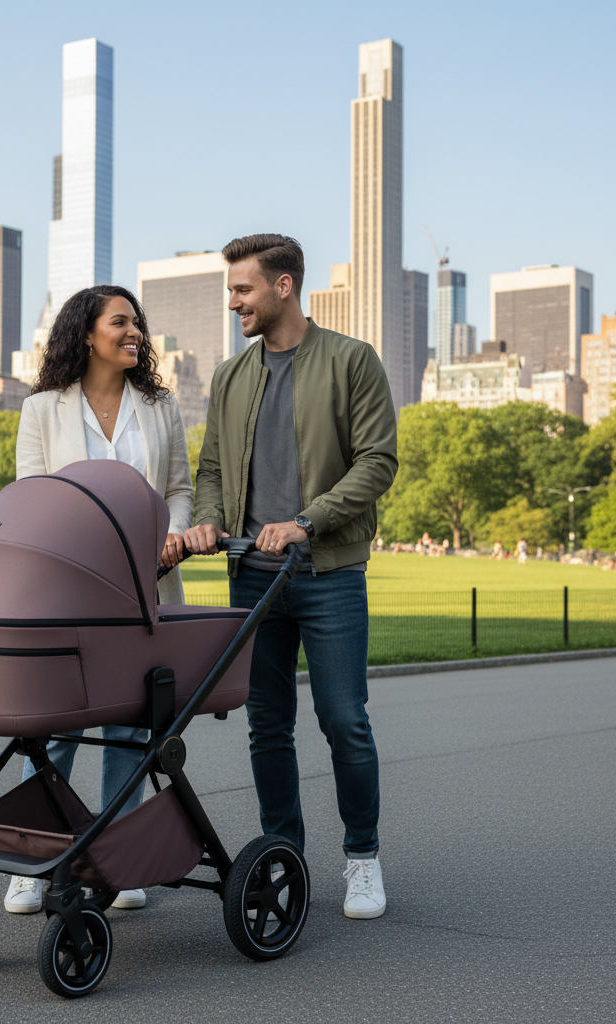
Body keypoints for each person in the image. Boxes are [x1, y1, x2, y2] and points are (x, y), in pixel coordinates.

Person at [184, 234, 398, 920]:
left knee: (344, 721)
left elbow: (377, 461)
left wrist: (309, 520)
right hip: (252, 573)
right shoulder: (230, 375)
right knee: (267, 725)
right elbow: (213, 468)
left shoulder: (351, 360)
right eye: (230, 290)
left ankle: (362, 858)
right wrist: (212, 522)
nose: (233, 301)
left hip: (328, 572)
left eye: (242, 289)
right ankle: (285, 860)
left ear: (283, 287)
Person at [4, 284, 194, 916]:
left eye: (137, 322)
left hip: (146, 592)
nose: (134, 331)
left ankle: (120, 857)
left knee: (130, 724)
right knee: (53, 728)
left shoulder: (161, 407)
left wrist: (172, 531)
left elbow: (180, 489)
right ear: (87, 333)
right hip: (70, 593)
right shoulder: (43, 411)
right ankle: (35, 859)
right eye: (121, 322)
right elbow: (32, 498)